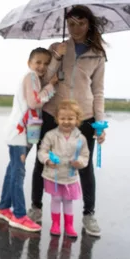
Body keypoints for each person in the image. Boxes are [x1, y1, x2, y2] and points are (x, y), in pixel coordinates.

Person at [29, 5, 107, 237]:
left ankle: (89, 214)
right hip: (53, 112)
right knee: (41, 161)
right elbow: (44, 81)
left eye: (81, 23)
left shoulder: (97, 54)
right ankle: (35, 208)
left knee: (83, 164)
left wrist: (99, 123)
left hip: (83, 115)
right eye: (71, 24)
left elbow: (99, 90)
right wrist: (56, 56)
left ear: (89, 24)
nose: (76, 28)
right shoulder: (57, 48)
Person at [0, 47, 58, 232]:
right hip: (19, 132)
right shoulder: (30, 77)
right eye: (38, 62)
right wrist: (51, 87)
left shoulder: (34, 78)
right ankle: (19, 215)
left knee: (13, 170)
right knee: (18, 173)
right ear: (29, 63)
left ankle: (3, 208)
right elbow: (34, 102)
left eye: (46, 63)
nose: (42, 66)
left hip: (22, 133)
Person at [37, 100, 90, 237]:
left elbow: (85, 155)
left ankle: (69, 225)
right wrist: (47, 160)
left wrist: (80, 162)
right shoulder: (50, 135)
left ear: (77, 119)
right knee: (56, 199)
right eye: (63, 118)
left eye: (70, 118)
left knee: (68, 200)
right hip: (53, 176)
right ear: (57, 119)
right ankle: (55, 224)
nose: (66, 122)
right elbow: (42, 151)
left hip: (70, 177)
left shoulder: (81, 138)